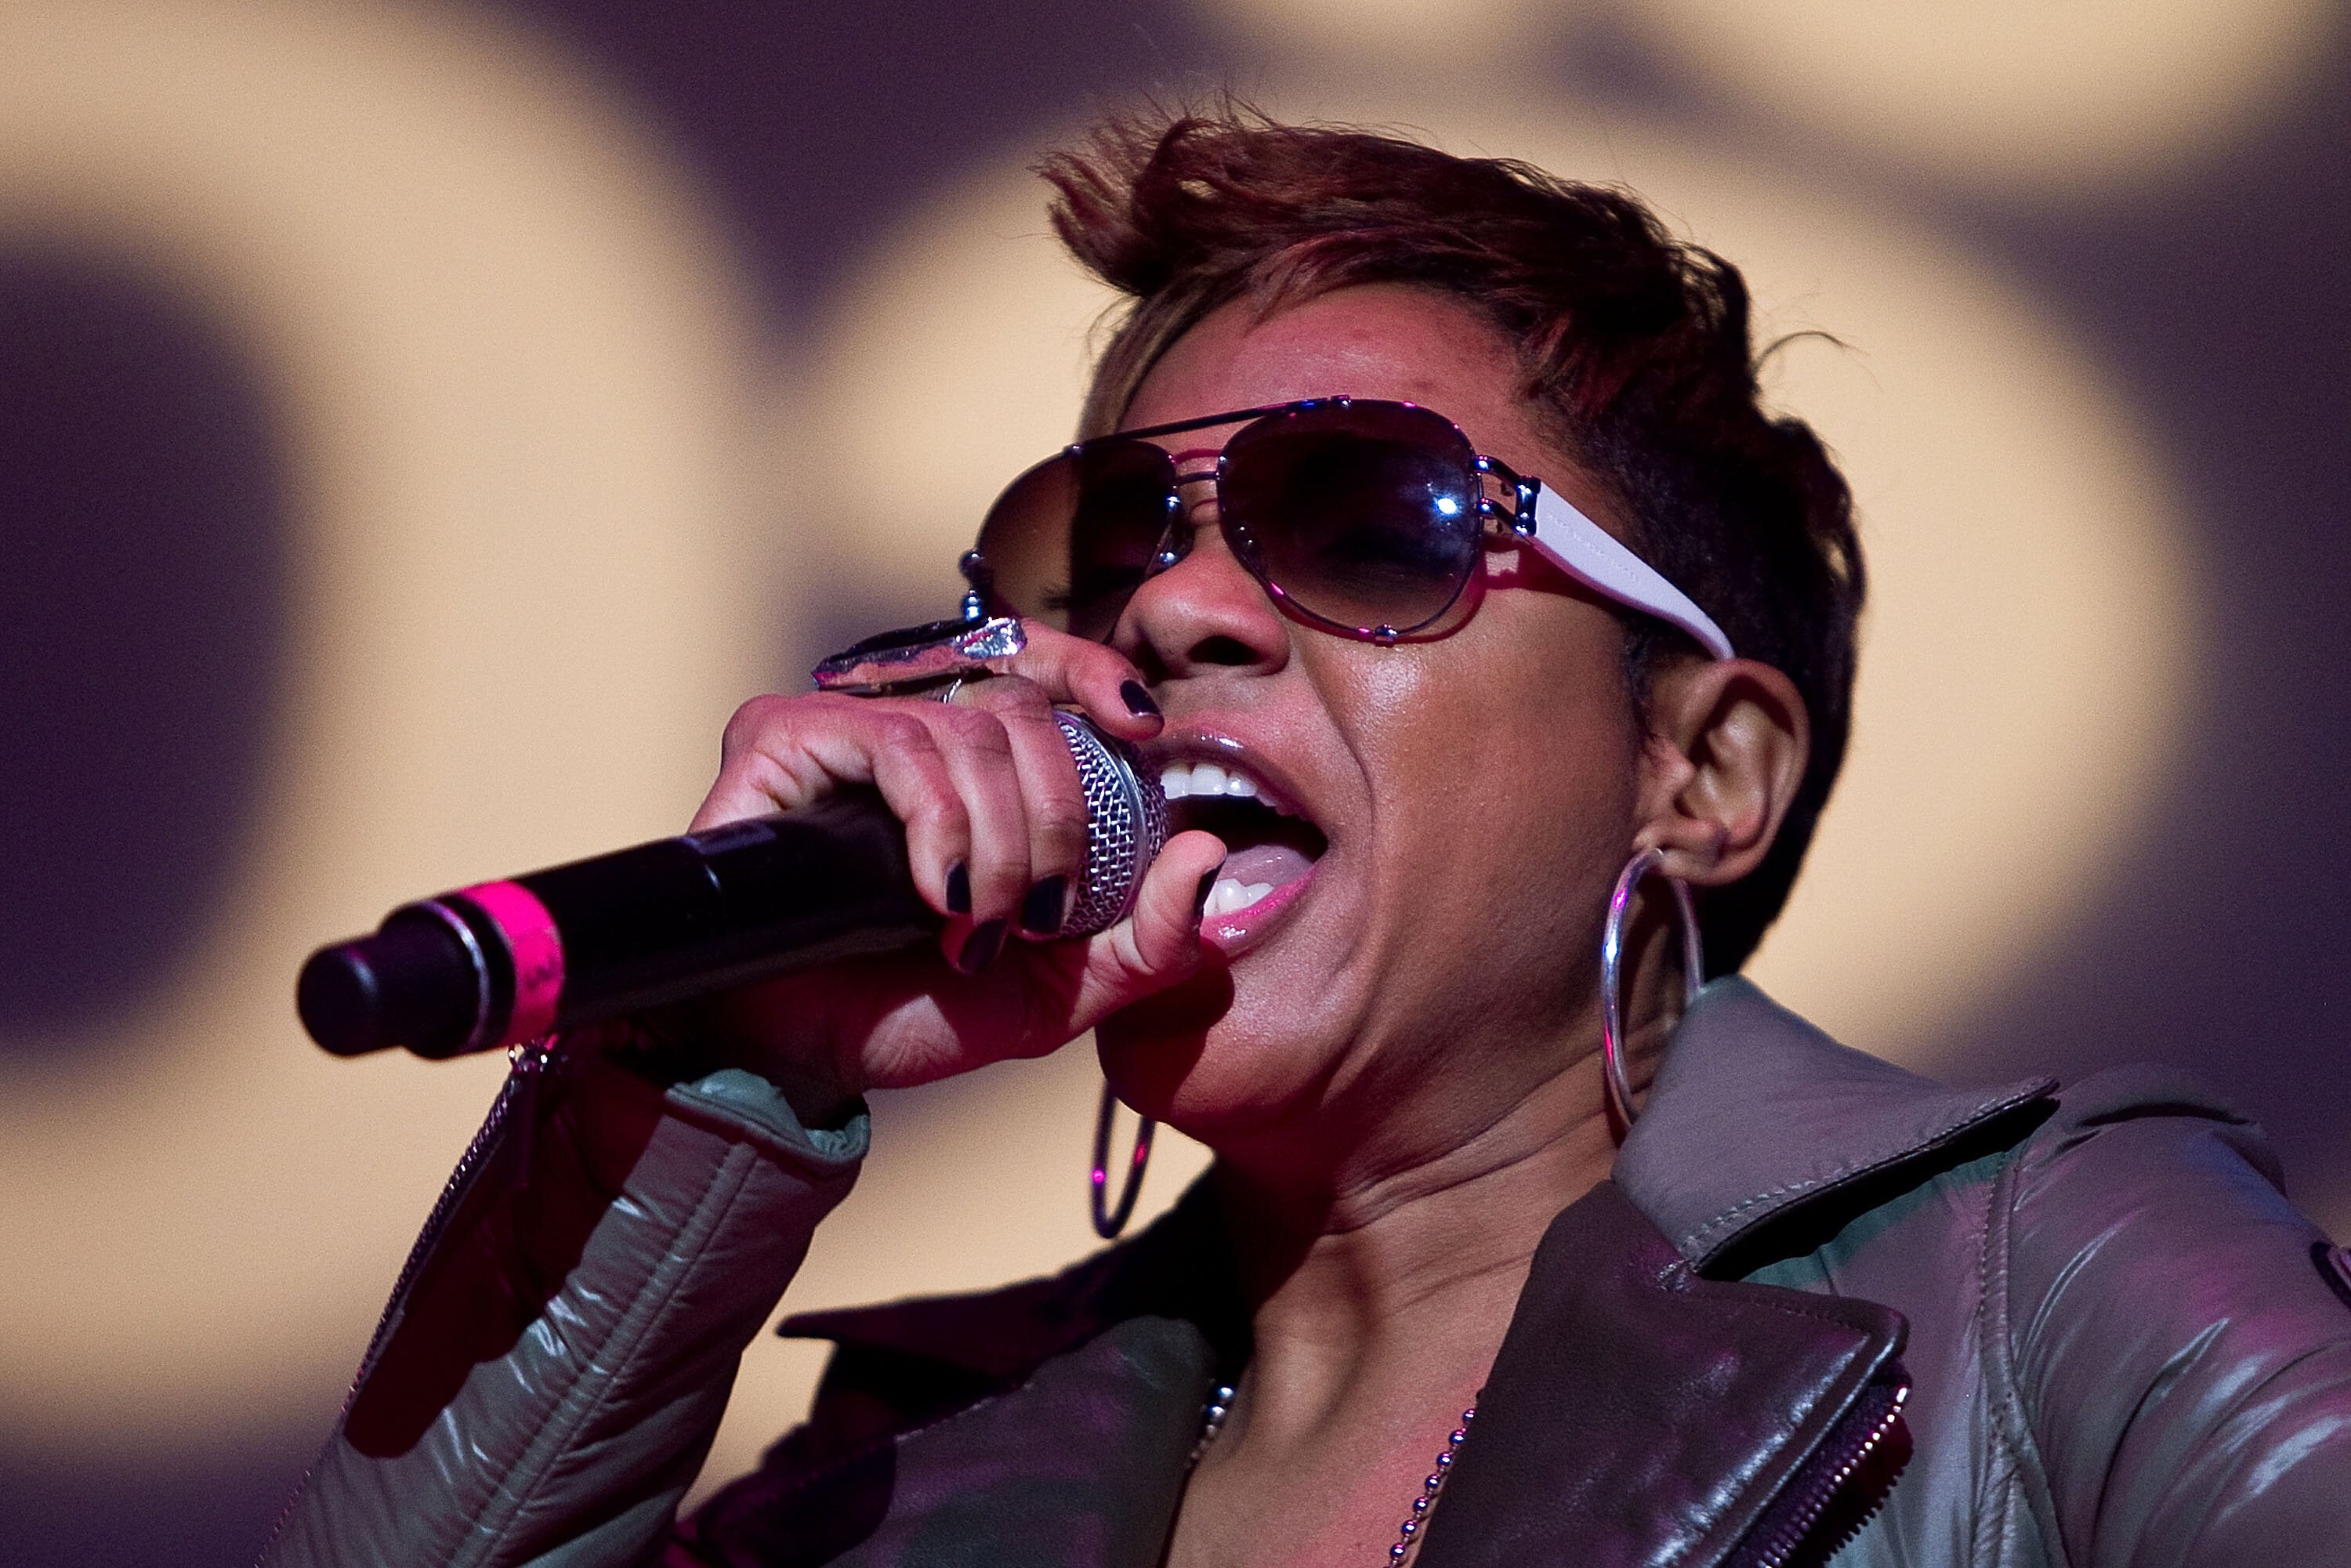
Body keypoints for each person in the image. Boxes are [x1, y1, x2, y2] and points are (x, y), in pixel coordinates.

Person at [264, 110, 2351, 1568]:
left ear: (1700, 766)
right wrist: (727, 1064)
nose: (1171, 613)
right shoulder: (903, 1476)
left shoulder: (2045, 1280)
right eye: (1106, 546)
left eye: (1366, 520)